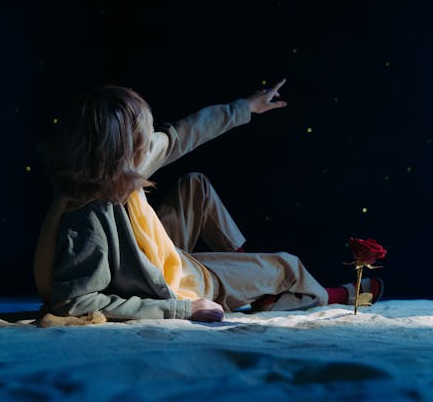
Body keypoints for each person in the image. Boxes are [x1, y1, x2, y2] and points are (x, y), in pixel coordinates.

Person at [33, 79, 382, 323]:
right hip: (182, 284)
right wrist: (183, 310)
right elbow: (75, 302)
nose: (150, 140)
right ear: (123, 149)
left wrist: (245, 108)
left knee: (194, 185)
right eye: (143, 134)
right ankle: (330, 293)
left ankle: (249, 282)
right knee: (288, 265)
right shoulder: (89, 215)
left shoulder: (118, 166)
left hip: (158, 259)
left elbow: (182, 134)